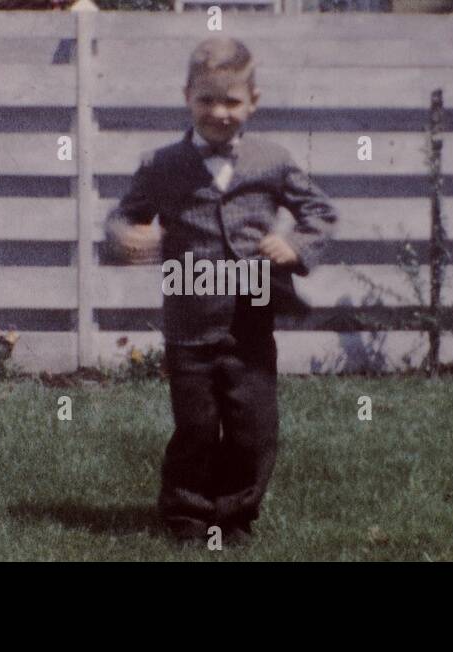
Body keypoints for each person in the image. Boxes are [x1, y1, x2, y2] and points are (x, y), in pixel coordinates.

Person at [106, 36, 338, 544]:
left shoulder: (271, 161)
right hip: (189, 320)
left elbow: (321, 213)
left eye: (232, 101)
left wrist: (295, 244)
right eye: (207, 100)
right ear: (187, 96)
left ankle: (235, 515)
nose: (219, 112)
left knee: (253, 424)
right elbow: (124, 216)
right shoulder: (161, 165)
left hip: (252, 317)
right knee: (196, 423)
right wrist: (127, 236)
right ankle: (187, 514)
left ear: (254, 100)